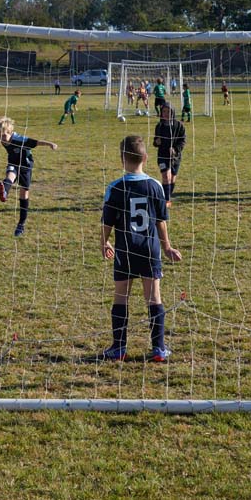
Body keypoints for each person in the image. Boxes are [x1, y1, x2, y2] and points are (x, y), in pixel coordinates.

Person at [100, 135, 182, 362]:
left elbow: (107, 222)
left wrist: (104, 241)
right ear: (145, 158)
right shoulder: (156, 186)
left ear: (121, 159)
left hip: (125, 249)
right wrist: (167, 247)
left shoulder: (115, 187)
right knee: (154, 297)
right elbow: (161, 222)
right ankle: (158, 348)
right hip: (150, 249)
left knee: (120, 297)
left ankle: (118, 348)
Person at [0, 117, 58, 237]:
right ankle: (4, 192)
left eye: (2, 135)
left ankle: (21, 224)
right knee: (10, 176)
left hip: (26, 166)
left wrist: (50, 144)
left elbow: (36, 142)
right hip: (13, 163)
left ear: (10, 132)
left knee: (24, 193)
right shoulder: (3, 139)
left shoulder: (19, 139)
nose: (0, 139)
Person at [152, 103, 186, 205]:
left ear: (173, 112)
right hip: (162, 155)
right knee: (166, 176)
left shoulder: (179, 126)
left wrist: (175, 150)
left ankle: (168, 196)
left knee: (172, 177)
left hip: (175, 157)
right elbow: (155, 141)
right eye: (164, 111)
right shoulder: (159, 126)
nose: (166, 114)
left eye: (169, 111)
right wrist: (156, 142)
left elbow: (183, 141)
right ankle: (166, 200)